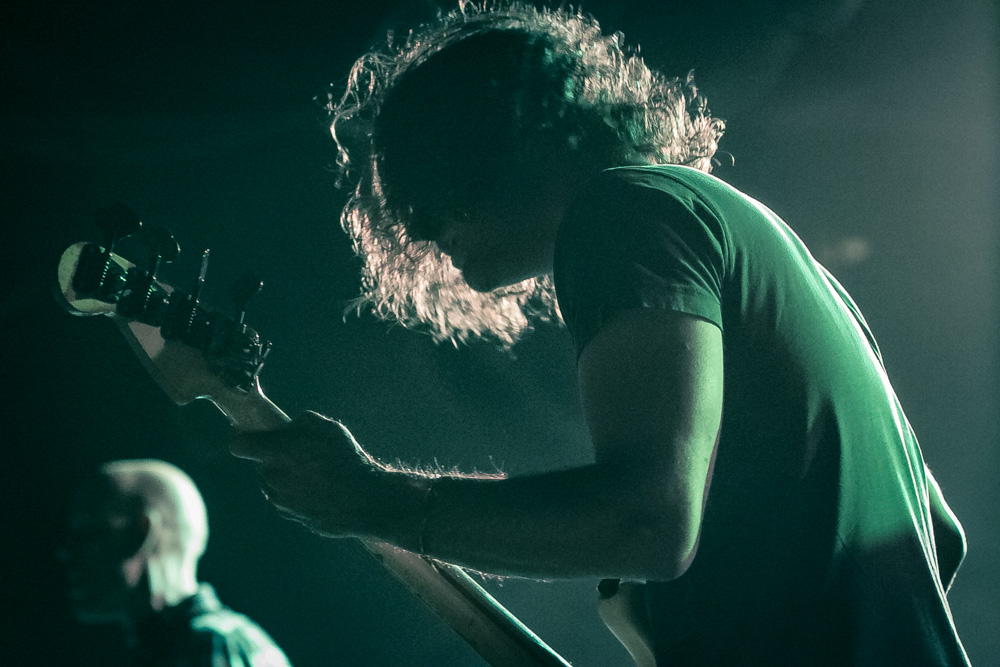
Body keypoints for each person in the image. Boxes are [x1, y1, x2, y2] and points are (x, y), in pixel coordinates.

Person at [230, 3, 970, 664]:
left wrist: (380, 500)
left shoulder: (622, 211)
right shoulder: (754, 239)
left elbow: (647, 518)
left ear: (494, 134)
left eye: (417, 174)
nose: (415, 225)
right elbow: (937, 537)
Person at [60, 459, 293, 667]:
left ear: (141, 533)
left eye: (88, 533)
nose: (65, 553)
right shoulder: (201, 643)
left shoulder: (208, 645)